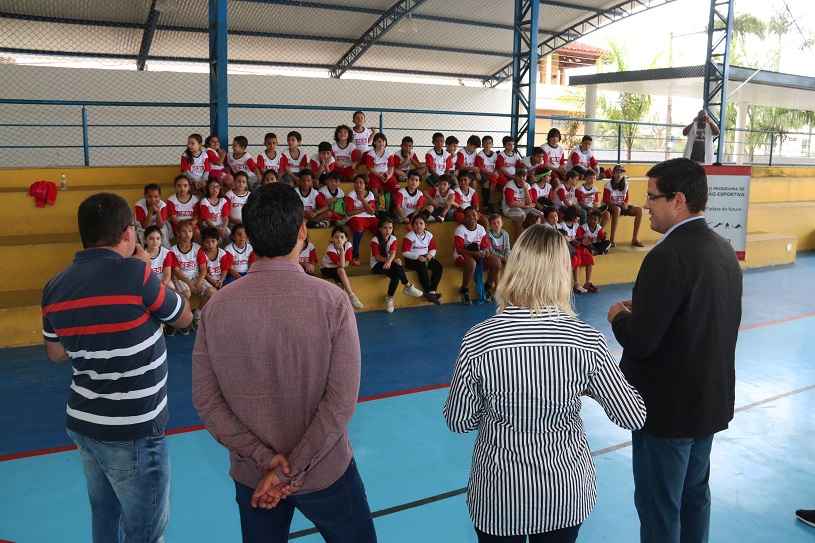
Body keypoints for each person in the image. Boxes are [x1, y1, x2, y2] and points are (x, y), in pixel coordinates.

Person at [192, 183, 376, 543]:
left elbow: (207, 402)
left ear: (248, 234)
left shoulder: (217, 308)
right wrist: (293, 468)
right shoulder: (333, 302)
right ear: (303, 231)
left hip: (255, 476)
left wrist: (267, 462)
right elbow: (339, 403)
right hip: (325, 470)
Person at [444, 224, 646, 543]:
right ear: (563, 272)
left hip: (500, 495)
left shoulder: (479, 340)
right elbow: (631, 415)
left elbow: (458, 421)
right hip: (563, 493)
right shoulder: (587, 342)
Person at [42, 192, 191, 543]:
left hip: (85, 423)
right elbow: (183, 318)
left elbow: (55, 353)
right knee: (144, 531)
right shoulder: (136, 276)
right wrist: (148, 273)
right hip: (133, 429)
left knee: (106, 514)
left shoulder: (54, 286)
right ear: (128, 234)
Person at [608, 158, 742, 543]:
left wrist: (619, 317)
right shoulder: (722, 250)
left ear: (678, 199)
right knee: (694, 498)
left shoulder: (666, 257)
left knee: (660, 507)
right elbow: (704, 320)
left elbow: (642, 341)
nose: (646, 205)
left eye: (652, 197)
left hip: (667, 414)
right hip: (707, 403)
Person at [370, 217, 424, 313]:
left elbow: (393, 252)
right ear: (380, 229)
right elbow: (377, 257)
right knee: (397, 266)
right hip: (376, 264)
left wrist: (390, 261)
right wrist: (389, 261)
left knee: (396, 273)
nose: (388, 230)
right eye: (385, 228)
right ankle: (408, 286)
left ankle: (390, 298)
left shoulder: (393, 238)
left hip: (387, 262)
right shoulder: (375, 240)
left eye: (390, 228)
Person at [453, 207, 501, 304]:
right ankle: (464, 289)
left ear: (478, 216)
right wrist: (476, 253)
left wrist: (486, 252)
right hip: (461, 255)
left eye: (473, 215)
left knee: (496, 262)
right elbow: (459, 249)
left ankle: (487, 287)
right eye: (468, 216)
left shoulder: (481, 228)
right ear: (464, 218)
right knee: (471, 263)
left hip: (477, 254)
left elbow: (485, 246)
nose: (471, 218)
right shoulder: (460, 230)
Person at [402, 214, 443, 304]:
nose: (418, 225)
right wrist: (417, 257)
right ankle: (428, 292)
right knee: (422, 267)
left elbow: (433, 248)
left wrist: (429, 255)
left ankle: (432, 290)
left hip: (426, 257)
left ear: (425, 225)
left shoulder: (429, 235)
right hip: (412, 259)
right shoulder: (409, 236)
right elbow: (405, 252)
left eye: (421, 223)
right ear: (412, 226)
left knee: (438, 267)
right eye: (416, 223)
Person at [321, 226, 364, 309]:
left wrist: (342, 259)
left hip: (338, 268)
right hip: (327, 269)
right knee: (341, 270)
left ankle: (343, 304)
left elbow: (346, 263)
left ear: (346, 239)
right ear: (332, 239)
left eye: (342, 237)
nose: (339, 240)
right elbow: (342, 265)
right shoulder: (330, 249)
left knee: (340, 283)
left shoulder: (348, 245)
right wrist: (342, 250)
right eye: (336, 237)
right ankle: (352, 296)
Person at [603, 164, 644, 248]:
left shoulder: (625, 184)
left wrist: (625, 203)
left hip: (621, 206)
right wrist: (619, 205)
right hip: (611, 207)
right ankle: (612, 240)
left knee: (639, 210)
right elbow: (606, 201)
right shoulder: (608, 185)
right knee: (617, 209)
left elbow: (626, 198)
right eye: (617, 172)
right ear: (613, 173)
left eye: (621, 172)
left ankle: (634, 239)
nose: (619, 174)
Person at [343, 174, 379, 266]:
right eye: (356, 182)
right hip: (355, 218)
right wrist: (364, 209)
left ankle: (381, 254)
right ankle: (355, 256)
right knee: (358, 227)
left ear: (365, 184)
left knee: (381, 228)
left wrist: (362, 199)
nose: (358, 185)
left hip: (370, 218)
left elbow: (372, 212)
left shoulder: (370, 194)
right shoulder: (351, 195)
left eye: (361, 183)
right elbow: (349, 212)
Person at [197, 227, 233, 293]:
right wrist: (213, 282)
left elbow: (225, 270)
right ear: (203, 242)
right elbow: (203, 272)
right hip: (207, 280)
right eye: (207, 242)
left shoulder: (222, 253)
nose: (210, 245)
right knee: (212, 292)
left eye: (213, 241)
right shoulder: (201, 253)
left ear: (218, 241)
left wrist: (221, 280)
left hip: (221, 279)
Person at [198, 177, 231, 243]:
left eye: (217, 187)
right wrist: (217, 229)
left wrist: (223, 228)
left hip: (221, 226)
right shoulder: (204, 201)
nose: (215, 189)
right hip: (208, 227)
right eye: (212, 187)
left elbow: (225, 217)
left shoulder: (223, 200)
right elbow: (207, 220)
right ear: (208, 188)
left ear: (220, 188)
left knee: (228, 232)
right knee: (217, 239)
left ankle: (227, 251)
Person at [167, 173, 200, 238]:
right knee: (182, 232)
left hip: (191, 224)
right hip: (178, 224)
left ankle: (195, 247)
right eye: (179, 186)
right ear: (175, 187)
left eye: (185, 186)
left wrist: (191, 224)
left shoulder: (195, 199)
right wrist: (184, 227)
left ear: (189, 187)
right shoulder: (171, 200)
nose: (182, 188)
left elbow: (196, 217)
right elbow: (174, 219)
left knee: (197, 232)